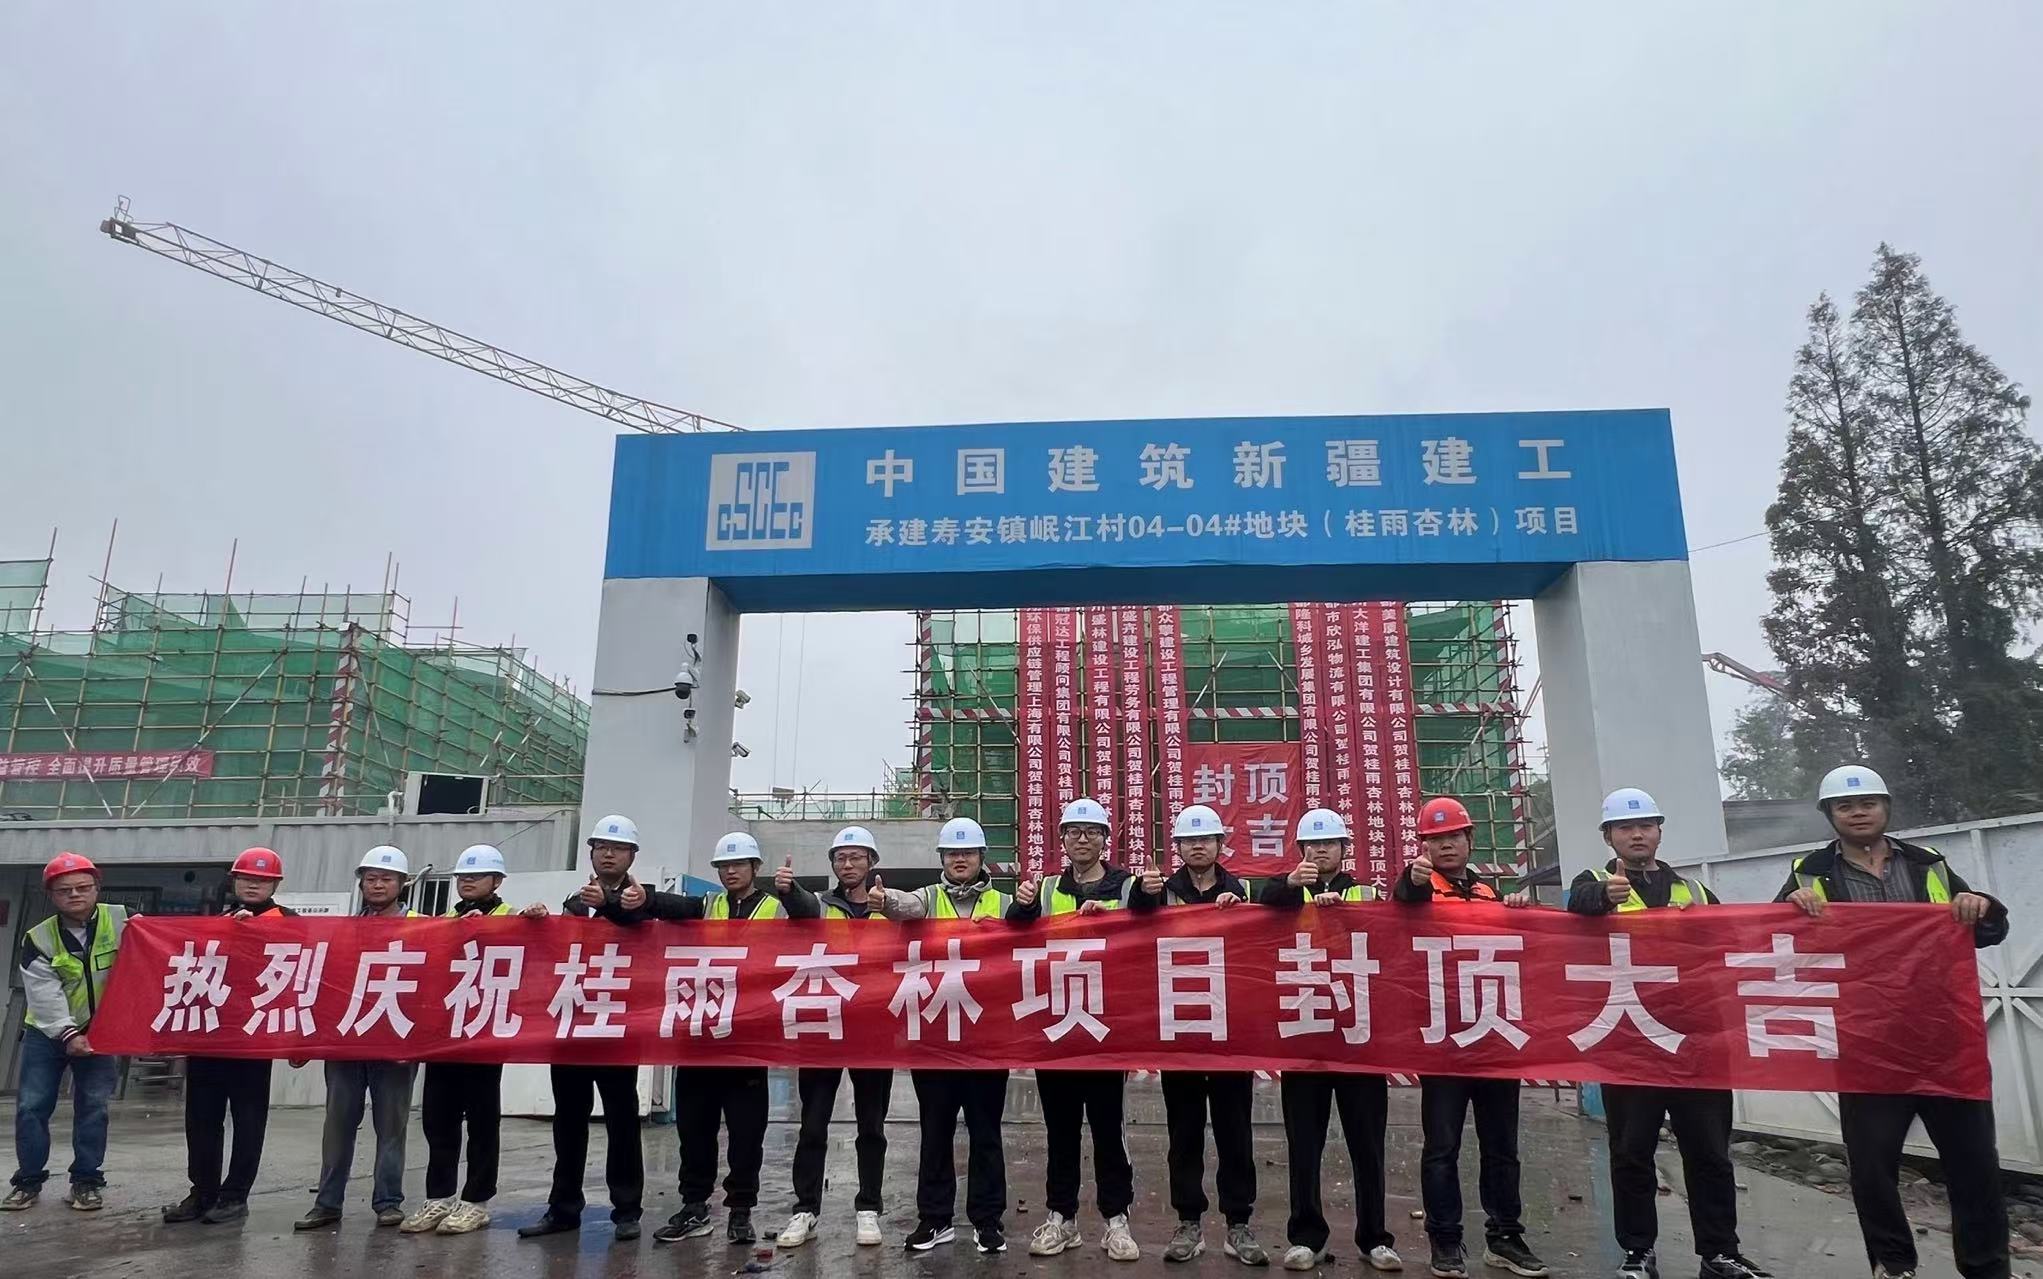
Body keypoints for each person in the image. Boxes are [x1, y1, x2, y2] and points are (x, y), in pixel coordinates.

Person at [1778, 764, 2010, 1279]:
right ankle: (1893, 1264)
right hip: (1867, 1044)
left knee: (1974, 1163)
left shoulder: (1929, 864)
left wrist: (1981, 906)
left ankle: (1986, 1268)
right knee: (1872, 1166)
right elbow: (1777, 944)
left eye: (1868, 804)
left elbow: (1989, 930)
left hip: (1943, 1039)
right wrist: (1790, 908)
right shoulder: (1809, 873)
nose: (1858, 813)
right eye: (1845, 806)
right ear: (1830, 815)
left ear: (1886, 808)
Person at [1565, 790, 1770, 1279]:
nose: (1637, 835)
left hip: (1695, 1043)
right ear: (1608, 836)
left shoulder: (1694, 891)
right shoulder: (1592, 882)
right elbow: (1574, 910)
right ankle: (1638, 1252)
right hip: (1630, 1041)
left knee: (1710, 1153)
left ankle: (1720, 1253)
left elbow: (1727, 946)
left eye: (1646, 826)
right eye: (1625, 828)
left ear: (1659, 831)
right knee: (1631, 1152)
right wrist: (1602, 898)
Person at [520, 813, 697, 1243]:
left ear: (632, 855)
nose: (608, 854)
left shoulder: (643, 897)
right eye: (601, 847)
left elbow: (677, 915)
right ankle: (563, 1208)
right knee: (568, 1123)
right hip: (574, 1027)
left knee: (621, 1123)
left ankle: (627, 1210)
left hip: (617, 1029)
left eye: (617, 848)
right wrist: (540, 920)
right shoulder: (576, 902)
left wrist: (617, 904)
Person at [1392, 796, 1547, 1279]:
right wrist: (1411, 881)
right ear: (1423, 846)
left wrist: (1515, 909)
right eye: (1435, 839)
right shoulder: (1420, 891)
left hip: (1494, 1036)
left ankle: (1505, 1237)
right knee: (1442, 1147)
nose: (1446, 845)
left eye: (1453, 836)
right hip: (1444, 1042)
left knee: (1502, 1146)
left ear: (1469, 839)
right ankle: (1445, 1239)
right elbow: (1403, 901)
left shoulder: (1488, 894)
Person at [875, 816, 1035, 1254]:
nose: (959, 859)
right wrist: (884, 900)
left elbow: (1029, 933)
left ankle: (988, 1221)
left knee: (986, 1134)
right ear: (942, 858)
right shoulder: (927, 898)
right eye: (951, 853)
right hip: (935, 1041)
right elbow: (904, 907)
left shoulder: (1004, 903)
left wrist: (1027, 905)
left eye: (967, 852)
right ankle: (934, 1219)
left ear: (982, 856)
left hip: (987, 1041)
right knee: (935, 1132)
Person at [656, 832, 821, 1248]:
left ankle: (741, 1210)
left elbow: (808, 915)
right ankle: (694, 1206)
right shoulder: (707, 906)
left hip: (747, 1041)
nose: (730, 871)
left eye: (738, 864)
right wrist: (638, 898)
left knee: (747, 1134)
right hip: (700, 1038)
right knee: (694, 1130)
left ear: (755, 868)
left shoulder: (775, 908)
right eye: (724, 866)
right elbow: (666, 906)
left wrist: (792, 890)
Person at [1256, 808, 1401, 1274]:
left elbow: (1393, 941)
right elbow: (1264, 904)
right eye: (1313, 845)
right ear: (1301, 850)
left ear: (1344, 849)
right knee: (1304, 1145)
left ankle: (1375, 1238)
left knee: (1367, 1145)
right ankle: (1306, 1237)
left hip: (1358, 1041)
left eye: (1330, 844)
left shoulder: (1366, 894)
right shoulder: (1285, 892)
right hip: (1305, 1038)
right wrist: (1290, 884)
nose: (1321, 851)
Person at [1126, 803, 1268, 1268]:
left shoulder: (1242, 890)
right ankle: (1188, 1221)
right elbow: (1132, 925)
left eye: (1205, 839)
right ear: (1179, 848)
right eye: (1189, 840)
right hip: (1181, 1031)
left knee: (1235, 1132)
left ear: (1220, 844)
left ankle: (1238, 1222)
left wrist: (1241, 911)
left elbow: (1269, 932)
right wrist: (1143, 894)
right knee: (1183, 1133)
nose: (1198, 847)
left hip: (1229, 1033)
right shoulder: (1162, 893)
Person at [1023, 797, 1143, 1263]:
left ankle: (1116, 1219)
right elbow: (1014, 934)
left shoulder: (1125, 886)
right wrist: (1020, 907)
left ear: (1105, 839)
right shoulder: (1047, 889)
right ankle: (1062, 1217)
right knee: (1061, 1131)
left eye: (1092, 832)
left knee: (1109, 1130)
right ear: (1063, 840)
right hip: (1057, 1029)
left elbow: (1149, 924)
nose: (1082, 839)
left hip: (1105, 1029)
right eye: (1074, 832)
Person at [777, 824, 894, 1250]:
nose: (848, 864)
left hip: (872, 1032)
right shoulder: (821, 906)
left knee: (871, 1127)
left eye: (856, 857)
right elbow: (802, 906)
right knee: (812, 1125)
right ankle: (805, 1209)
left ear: (872, 862)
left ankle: (869, 1208)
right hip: (823, 1030)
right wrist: (788, 891)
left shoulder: (889, 908)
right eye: (841, 858)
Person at [164, 848, 294, 1226]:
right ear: (234, 881)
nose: (253, 885)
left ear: (275, 885)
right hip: (209, 1035)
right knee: (201, 1118)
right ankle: (202, 1191)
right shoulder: (216, 922)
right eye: (246, 878)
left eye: (262, 880)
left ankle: (235, 1195)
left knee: (248, 1119)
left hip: (253, 1039)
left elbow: (300, 978)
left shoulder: (290, 922)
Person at [297, 844, 422, 1231]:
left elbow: (430, 989)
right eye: (371, 878)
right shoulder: (344, 931)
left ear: (401, 884)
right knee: (337, 1126)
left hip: (395, 1043)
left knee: (391, 1128)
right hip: (346, 1044)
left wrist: (416, 1042)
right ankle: (327, 1203)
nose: (378, 885)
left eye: (386, 879)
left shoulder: (422, 928)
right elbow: (325, 985)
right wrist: (307, 1040)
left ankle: (388, 1201)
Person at [401, 845, 517, 1238]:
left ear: (496, 881)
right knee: (439, 1119)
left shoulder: (511, 918)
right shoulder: (445, 922)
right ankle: (439, 1196)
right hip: (445, 1034)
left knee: (482, 1121)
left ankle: (476, 1201)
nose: (467, 881)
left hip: (484, 1035)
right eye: (462, 876)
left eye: (476, 876)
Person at [5, 853, 129, 1213]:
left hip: (101, 1033)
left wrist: (235, 921)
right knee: (32, 1107)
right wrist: (69, 1034)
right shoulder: (39, 938)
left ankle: (86, 1182)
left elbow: (166, 944)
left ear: (96, 888)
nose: (75, 894)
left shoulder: (123, 920)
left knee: (94, 1107)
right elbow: (44, 994)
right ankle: (27, 1182)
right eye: (65, 890)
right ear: (51, 895)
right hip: (47, 1033)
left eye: (83, 887)